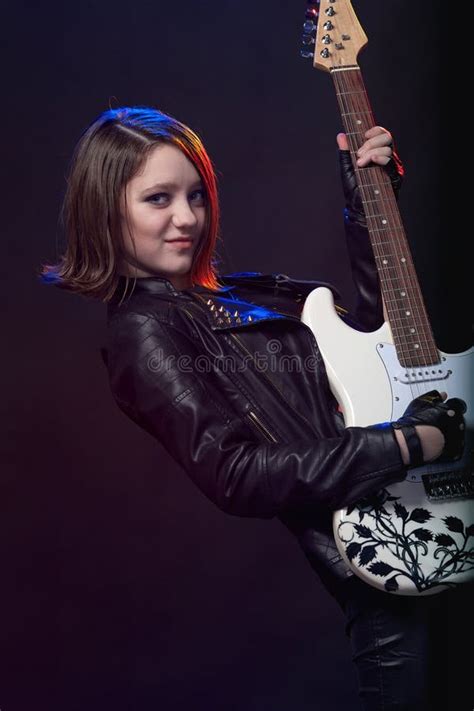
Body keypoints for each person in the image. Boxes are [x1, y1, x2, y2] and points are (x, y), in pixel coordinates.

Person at [40, 106, 471, 710]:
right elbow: (236, 475)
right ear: (105, 210)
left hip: (443, 511)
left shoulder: (245, 293)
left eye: (196, 195)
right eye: (158, 199)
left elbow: (381, 346)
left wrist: (369, 203)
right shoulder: (144, 332)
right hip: (393, 566)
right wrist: (405, 444)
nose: (186, 218)